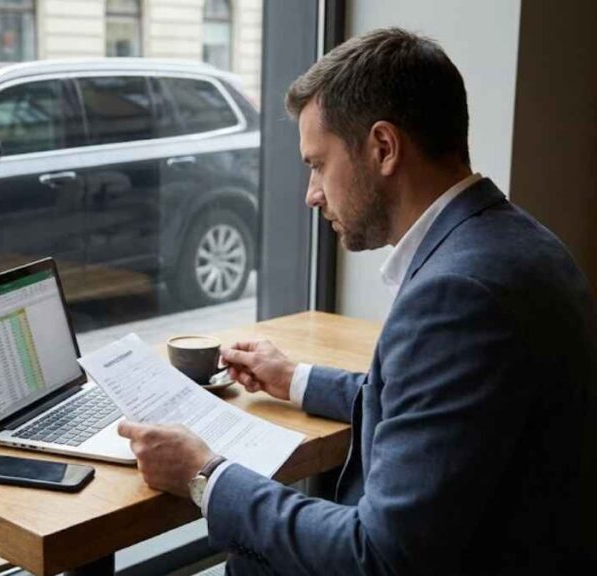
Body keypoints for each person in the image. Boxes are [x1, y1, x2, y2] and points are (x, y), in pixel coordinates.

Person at [117, 28, 595, 575]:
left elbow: (379, 556)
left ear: (384, 148)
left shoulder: (457, 293)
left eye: (318, 164)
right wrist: (294, 378)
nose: (311, 193)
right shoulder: (516, 241)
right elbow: (429, 401)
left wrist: (205, 474)